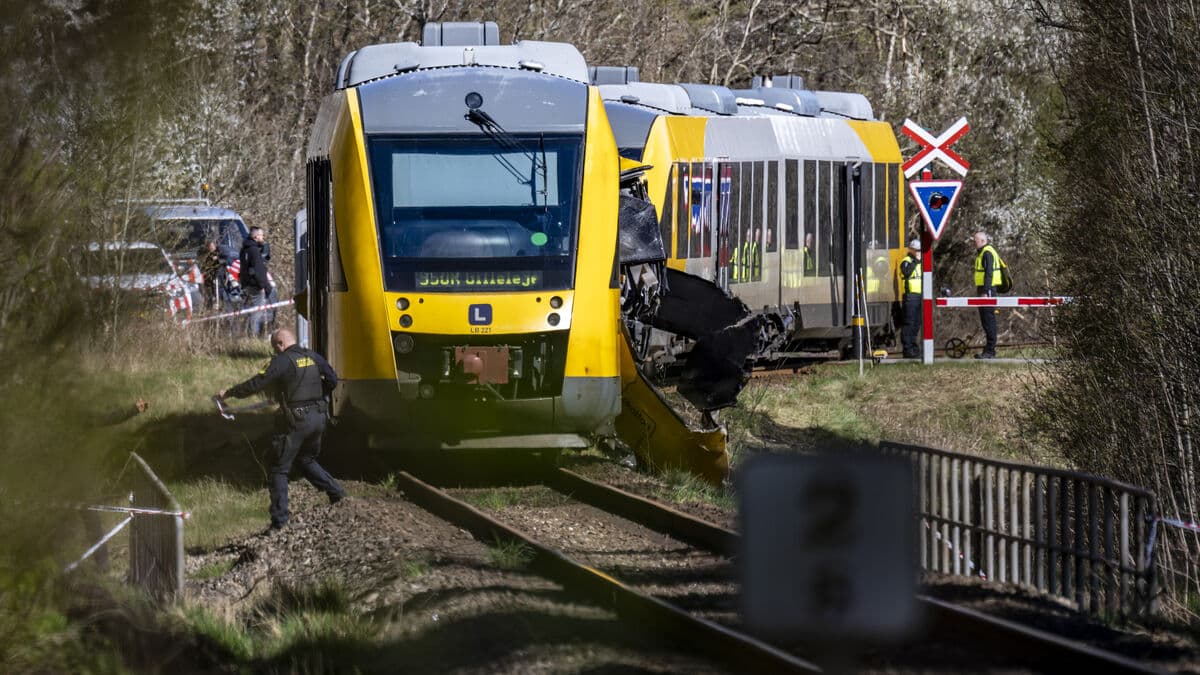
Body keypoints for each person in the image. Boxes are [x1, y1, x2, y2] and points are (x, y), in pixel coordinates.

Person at [216, 328, 345, 530]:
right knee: (306, 459)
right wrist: (317, 397)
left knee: (278, 469)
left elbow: (256, 383)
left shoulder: (281, 361)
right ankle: (337, 494)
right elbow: (333, 380)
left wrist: (229, 393)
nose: (275, 352)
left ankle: (279, 522)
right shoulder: (313, 356)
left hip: (296, 421)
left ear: (279, 344)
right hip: (318, 418)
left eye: (275, 348)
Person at [972, 230, 1003, 359]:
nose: (974, 243)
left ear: (983, 241)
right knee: (985, 320)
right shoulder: (984, 252)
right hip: (984, 289)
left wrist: (985, 291)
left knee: (988, 320)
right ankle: (989, 350)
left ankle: (990, 351)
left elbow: (989, 273)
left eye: (976, 241)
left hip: (987, 290)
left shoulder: (988, 253)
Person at [239, 226, 271, 337]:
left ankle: (248, 336)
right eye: (262, 235)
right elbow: (258, 270)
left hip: (247, 284)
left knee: (249, 312)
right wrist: (265, 286)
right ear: (256, 236)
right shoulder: (253, 250)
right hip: (256, 285)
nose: (263, 237)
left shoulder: (244, 249)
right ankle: (253, 336)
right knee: (257, 312)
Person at [897, 239, 923, 358]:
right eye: (916, 250)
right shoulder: (906, 262)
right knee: (909, 323)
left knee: (917, 323)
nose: (918, 252)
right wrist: (916, 260)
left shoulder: (920, 262)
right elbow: (906, 273)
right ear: (911, 250)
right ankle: (907, 349)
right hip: (910, 296)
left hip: (920, 296)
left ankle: (914, 347)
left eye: (920, 250)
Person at [197, 241, 223, 310]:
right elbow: (203, 266)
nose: (212, 248)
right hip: (208, 279)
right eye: (210, 247)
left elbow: (222, 262)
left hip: (218, 280)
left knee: (218, 296)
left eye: (213, 247)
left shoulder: (219, 252)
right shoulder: (204, 255)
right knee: (209, 296)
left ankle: (218, 307)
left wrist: (218, 258)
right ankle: (210, 308)